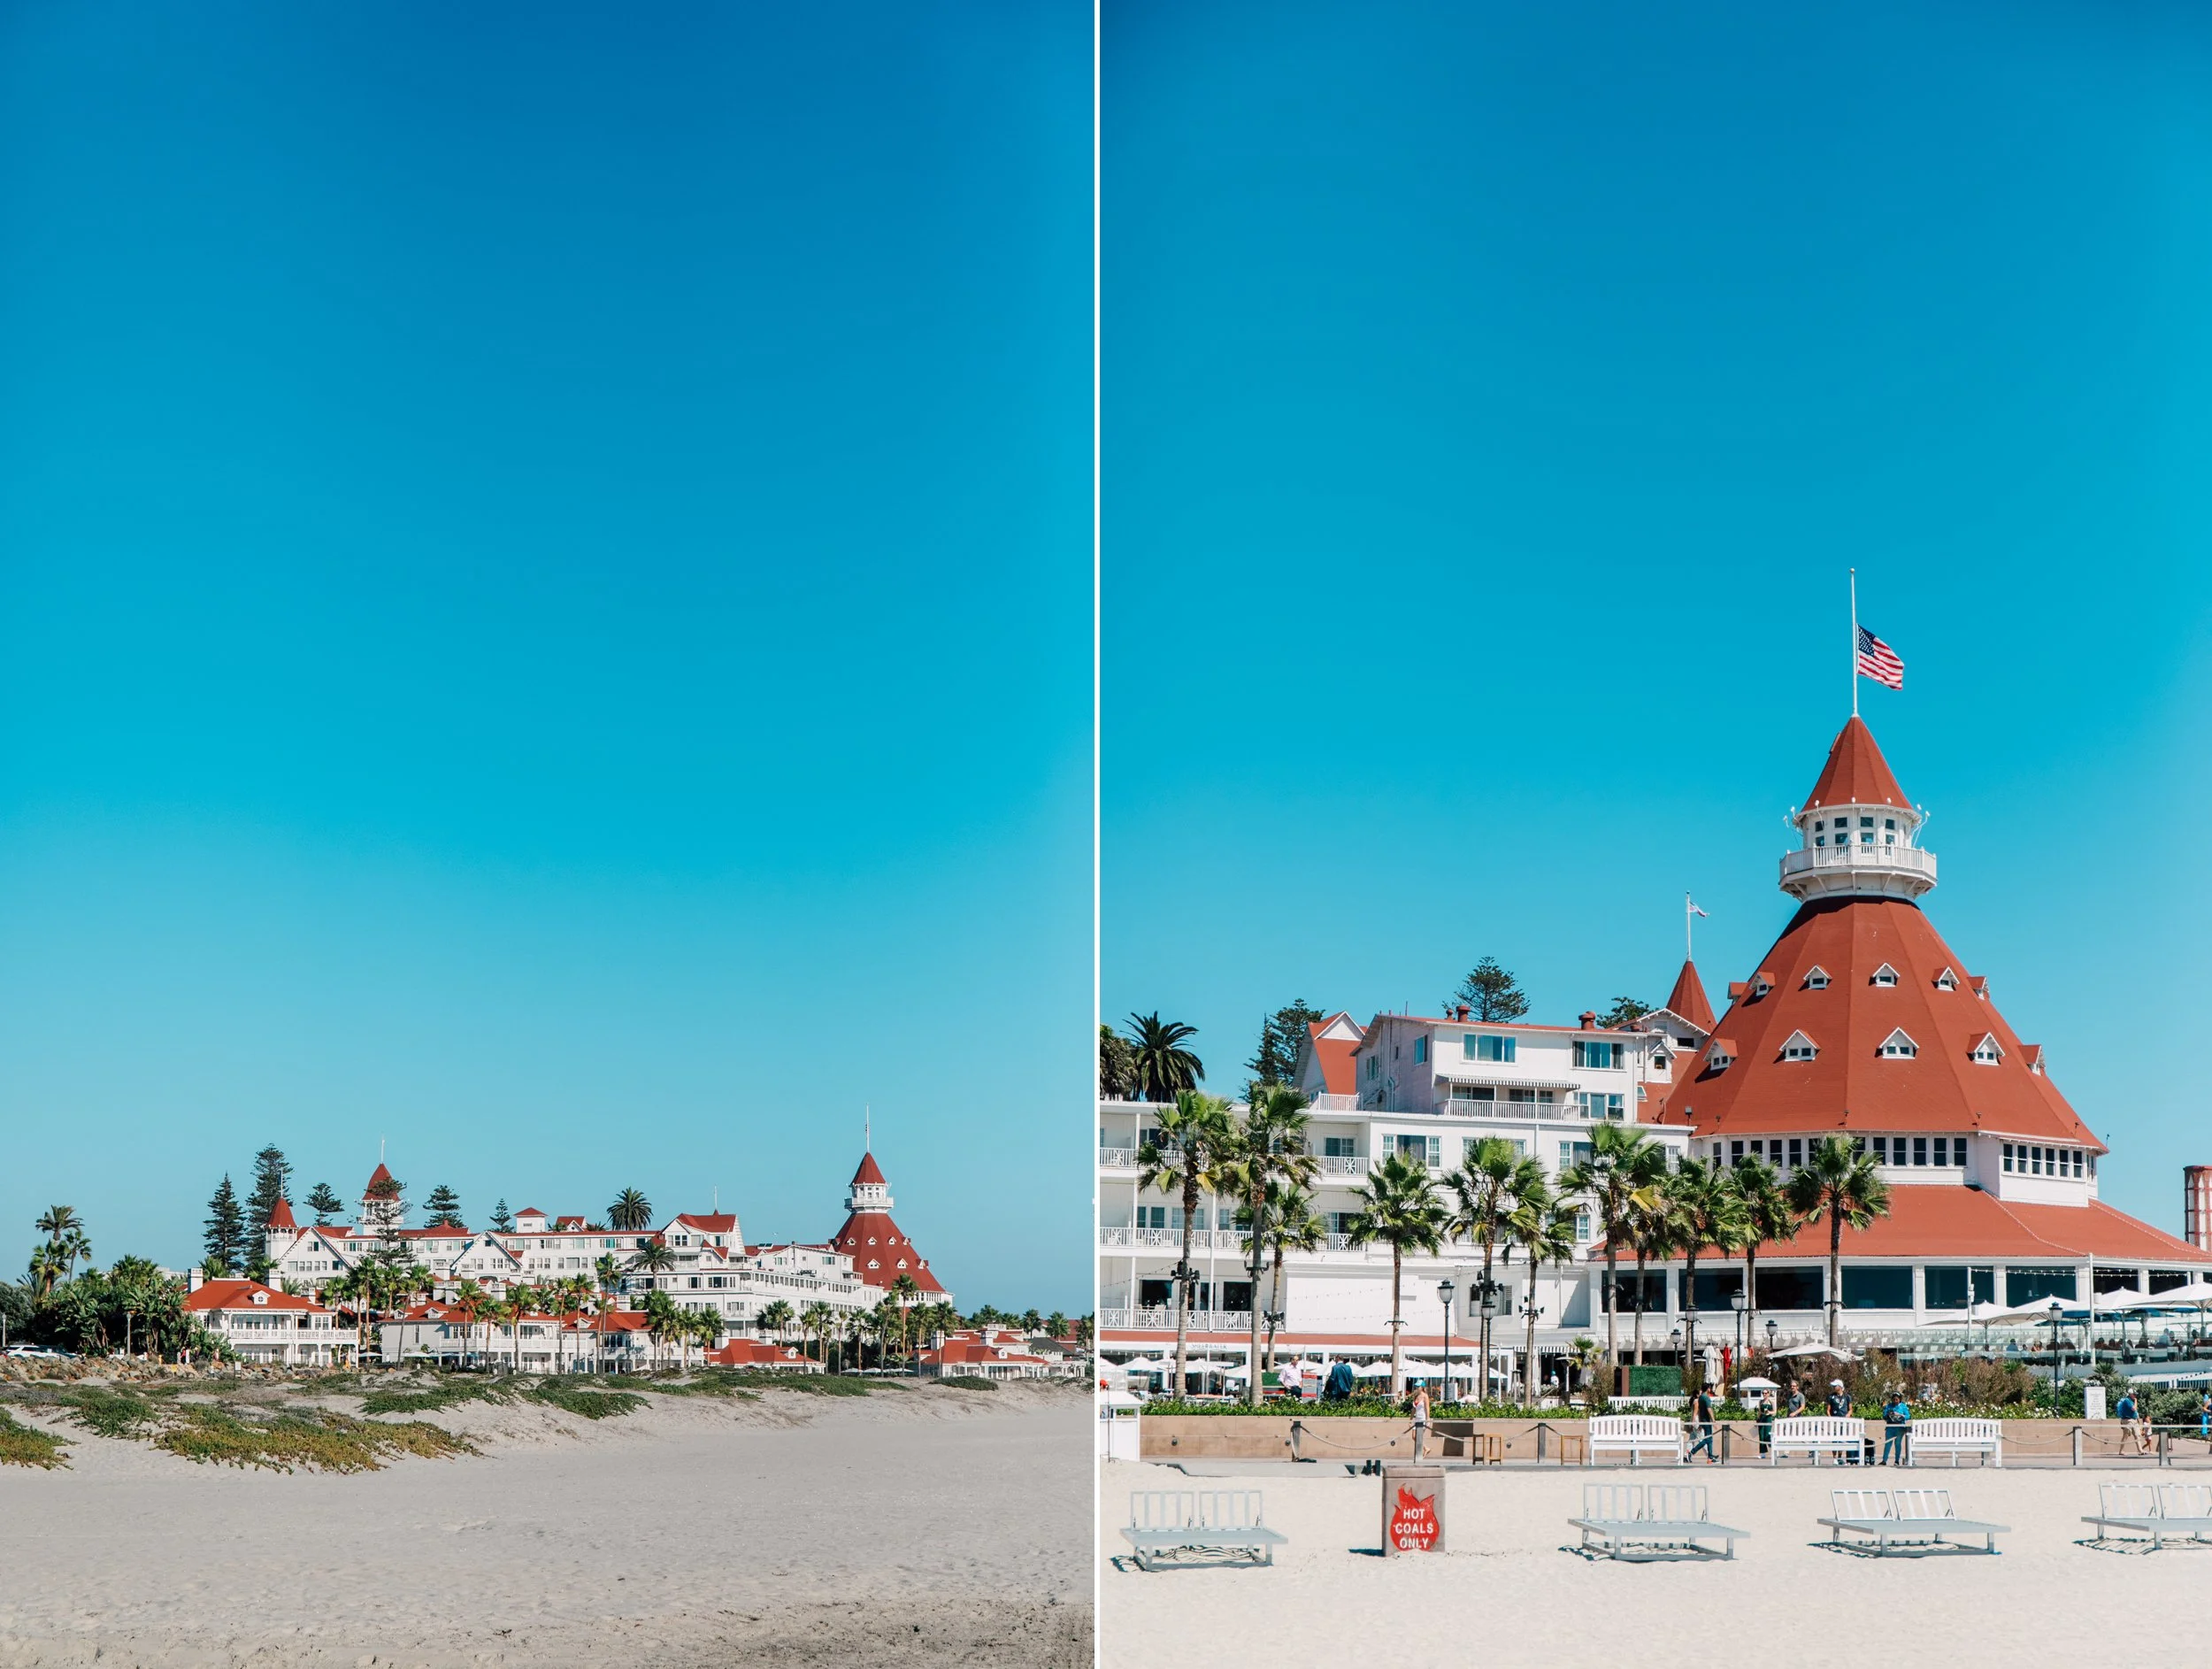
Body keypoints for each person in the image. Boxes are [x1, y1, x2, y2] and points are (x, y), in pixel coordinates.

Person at [1686, 1382, 1717, 1463]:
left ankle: (1710, 1457)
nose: (1710, 1389)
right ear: (1708, 1389)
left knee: (1708, 1439)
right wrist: (1713, 1420)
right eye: (1710, 1388)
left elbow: (1699, 1413)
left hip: (1703, 1421)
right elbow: (1709, 1409)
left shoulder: (1700, 1398)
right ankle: (1692, 1453)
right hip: (1706, 1421)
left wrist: (1700, 1421)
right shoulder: (1706, 1397)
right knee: (1706, 1439)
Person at [1881, 1390, 1911, 1466]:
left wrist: (1900, 1415)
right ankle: (1884, 1460)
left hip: (1899, 1428)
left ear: (1900, 1399)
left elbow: (1908, 1416)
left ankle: (1897, 1461)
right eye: (1894, 1399)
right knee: (1888, 1444)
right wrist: (1888, 1415)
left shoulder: (1903, 1406)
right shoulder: (1889, 1406)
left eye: (1897, 1399)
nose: (1895, 1401)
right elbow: (1884, 1415)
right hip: (1890, 1428)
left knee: (1897, 1444)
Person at [2116, 1387, 2145, 1456]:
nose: (2135, 1395)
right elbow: (2134, 1409)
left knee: (2137, 1435)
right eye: (2134, 1394)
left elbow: (2136, 1413)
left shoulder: (2131, 1401)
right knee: (2126, 1436)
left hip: (2134, 1420)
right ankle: (2121, 1451)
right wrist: (2136, 1401)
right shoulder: (2127, 1400)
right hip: (2127, 1420)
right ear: (2130, 1394)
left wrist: (2138, 1421)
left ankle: (2140, 1450)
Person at [1409, 1380, 1432, 1459]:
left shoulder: (1425, 1396)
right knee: (1414, 1436)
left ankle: (1420, 1453)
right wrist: (1411, 1419)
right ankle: (1426, 1448)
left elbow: (1427, 1408)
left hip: (1423, 1418)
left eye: (1418, 1386)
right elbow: (1413, 1409)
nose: (1417, 1388)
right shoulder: (1416, 1396)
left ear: (1422, 1387)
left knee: (1419, 1436)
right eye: (1416, 1386)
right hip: (1417, 1418)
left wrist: (1428, 1419)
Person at [1755, 1389, 1774, 1458]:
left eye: (1766, 1393)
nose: (1764, 1394)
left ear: (1769, 1394)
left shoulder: (1771, 1402)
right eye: (1763, 1393)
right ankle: (1762, 1453)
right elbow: (1760, 1412)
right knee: (1761, 1436)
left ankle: (1774, 1449)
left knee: (1767, 1436)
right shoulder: (1760, 1402)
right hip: (1762, 1419)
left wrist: (1769, 1412)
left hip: (1768, 1418)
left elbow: (1775, 1412)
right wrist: (1758, 1419)